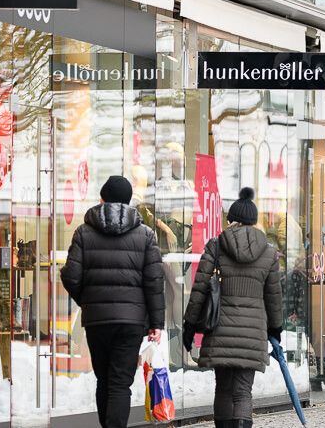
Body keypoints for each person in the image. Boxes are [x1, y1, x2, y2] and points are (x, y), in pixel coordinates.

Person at [60, 175, 165, 428]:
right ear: (129, 202)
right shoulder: (146, 235)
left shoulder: (83, 232)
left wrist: (89, 300)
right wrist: (156, 323)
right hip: (131, 322)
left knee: (104, 380)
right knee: (120, 383)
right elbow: (154, 282)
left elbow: (71, 276)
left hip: (97, 321)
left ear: (102, 199)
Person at [182, 188, 282, 428]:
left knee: (224, 389)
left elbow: (200, 289)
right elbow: (274, 298)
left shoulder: (216, 247)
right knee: (243, 391)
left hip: (221, 330)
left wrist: (190, 325)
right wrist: (275, 329)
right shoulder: (269, 253)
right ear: (254, 221)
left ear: (232, 220)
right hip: (252, 333)